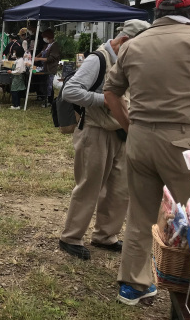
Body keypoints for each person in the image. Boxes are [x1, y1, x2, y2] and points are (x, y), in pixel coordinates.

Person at [104, 0, 190, 306]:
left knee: (141, 213)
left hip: (140, 139)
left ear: (157, 11)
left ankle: (133, 284)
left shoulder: (133, 45)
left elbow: (110, 92)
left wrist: (131, 127)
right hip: (186, 143)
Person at [58, 19, 150, 262]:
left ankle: (105, 235)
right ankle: (71, 237)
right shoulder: (97, 59)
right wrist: (105, 100)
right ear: (123, 42)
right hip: (95, 131)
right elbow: (70, 91)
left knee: (120, 189)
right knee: (89, 186)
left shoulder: (127, 60)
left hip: (120, 133)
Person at [33, 28, 60, 107]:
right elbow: (42, 52)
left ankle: (50, 101)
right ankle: (45, 98)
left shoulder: (55, 46)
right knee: (45, 84)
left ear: (48, 37)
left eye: (45, 37)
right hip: (44, 68)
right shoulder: (48, 45)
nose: (44, 39)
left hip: (51, 68)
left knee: (49, 85)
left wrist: (38, 59)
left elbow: (51, 58)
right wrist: (35, 57)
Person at [7, 45, 27, 109]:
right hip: (16, 77)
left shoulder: (20, 61)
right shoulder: (18, 60)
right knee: (16, 91)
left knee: (14, 91)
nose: (14, 53)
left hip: (18, 77)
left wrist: (11, 72)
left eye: (14, 52)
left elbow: (18, 71)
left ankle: (16, 105)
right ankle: (17, 104)